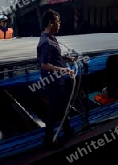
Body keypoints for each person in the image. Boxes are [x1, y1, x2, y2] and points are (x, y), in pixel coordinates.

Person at [37, 9, 76, 148]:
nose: (59, 24)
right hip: (53, 81)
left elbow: (54, 56)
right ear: (50, 23)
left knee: (63, 105)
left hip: (58, 80)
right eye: (58, 22)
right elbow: (44, 65)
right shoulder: (46, 42)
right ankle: (48, 140)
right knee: (54, 110)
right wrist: (62, 69)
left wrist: (66, 58)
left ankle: (67, 130)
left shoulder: (52, 38)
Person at [0, 15, 14, 79]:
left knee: (11, 73)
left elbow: (14, 42)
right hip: (0, 56)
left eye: (6, 21)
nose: (5, 23)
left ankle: (11, 85)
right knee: (1, 74)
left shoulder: (10, 31)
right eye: (3, 21)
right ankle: (2, 87)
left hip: (9, 55)